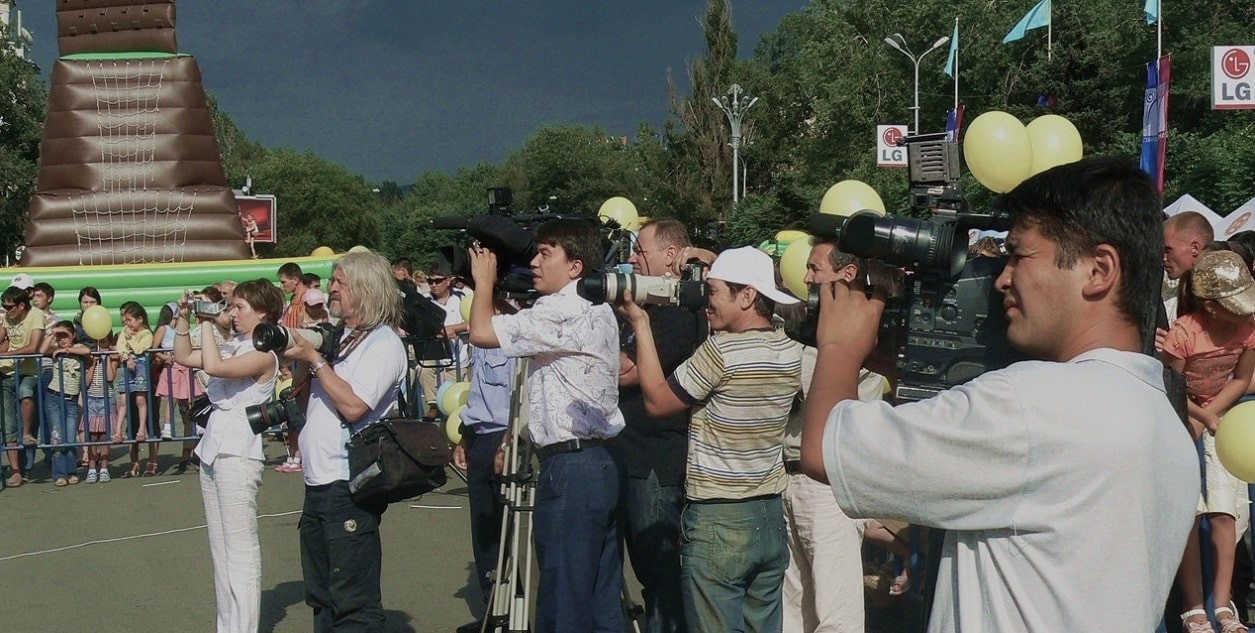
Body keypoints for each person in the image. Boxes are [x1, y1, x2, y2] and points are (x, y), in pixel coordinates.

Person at [800, 156, 1199, 630]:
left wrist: (840, 346)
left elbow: (825, 448)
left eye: (1019, 255)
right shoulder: (1162, 418)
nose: (1002, 279)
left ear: (1099, 269)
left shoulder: (1032, 406)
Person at [619, 245, 802, 633]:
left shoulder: (720, 354)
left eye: (713, 291)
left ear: (748, 296)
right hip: (768, 515)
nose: (705, 302)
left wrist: (640, 322)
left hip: (720, 519)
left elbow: (655, 399)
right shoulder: (788, 350)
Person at [467, 218, 625, 633]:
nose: (534, 262)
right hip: (600, 464)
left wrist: (483, 282)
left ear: (575, 266)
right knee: (602, 600)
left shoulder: (557, 310)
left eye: (545, 253)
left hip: (569, 469)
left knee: (562, 600)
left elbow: (481, 332)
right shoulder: (597, 308)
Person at [284, 251, 407, 631]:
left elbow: (354, 406)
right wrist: (307, 359)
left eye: (340, 282)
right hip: (318, 481)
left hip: (349, 483)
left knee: (353, 600)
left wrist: (315, 359)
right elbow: (304, 401)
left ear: (365, 290)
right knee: (321, 596)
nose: (331, 289)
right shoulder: (342, 339)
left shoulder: (383, 343)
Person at [783, 237, 884, 633]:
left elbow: (810, 387)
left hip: (828, 486)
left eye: (814, 269)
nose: (805, 277)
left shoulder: (858, 329)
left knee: (836, 614)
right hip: (789, 477)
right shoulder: (813, 327)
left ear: (848, 274)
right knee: (792, 615)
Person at [173, 278, 283, 633]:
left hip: (239, 451)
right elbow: (183, 356)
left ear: (263, 312)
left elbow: (215, 368)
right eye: (231, 306)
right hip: (214, 447)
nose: (232, 313)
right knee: (220, 550)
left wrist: (205, 322)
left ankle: (245, 627)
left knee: (240, 549)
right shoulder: (234, 343)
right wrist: (183, 318)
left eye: (240, 307)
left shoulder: (264, 352)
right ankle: (228, 627)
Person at [608, 218, 702, 633]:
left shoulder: (679, 313)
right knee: (642, 568)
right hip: (627, 453)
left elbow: (627, 373)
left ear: (670, 256)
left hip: (656, 462)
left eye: (640, 251)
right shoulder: (644, 310)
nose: (631, 259)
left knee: (660, 572)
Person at [1161, 249, 1255, 633]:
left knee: (1223, 511)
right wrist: (1198, 417)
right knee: (1190, 512)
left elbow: (1240, 379)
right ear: (1212, 307)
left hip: (1222, 423)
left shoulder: (1248, 327)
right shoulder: (1183, 333)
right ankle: (1193, 605)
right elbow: (1169, 385)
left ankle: (1222, 603)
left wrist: (1212, 414)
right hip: (1182, 421)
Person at [451, 339, 516, 633]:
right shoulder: (479, 333)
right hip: (480, 435)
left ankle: (517, 613)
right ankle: (494, 609)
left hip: (506, 437)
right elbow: (479, 392)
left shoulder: (517, 326)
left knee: (512, 533)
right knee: (485, 533)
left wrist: (507, 443)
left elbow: (521, 393)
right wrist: (466, 435)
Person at [0, 285, 45, 487]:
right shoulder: (7, 318)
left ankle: (26, 433)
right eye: (3, 306)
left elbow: (34, 347)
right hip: (6, 373)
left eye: (9, 307)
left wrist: (7, 353)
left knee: (26, 391)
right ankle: (15, 471)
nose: (6, 310)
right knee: (8, 426)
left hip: (29, 371)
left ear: (21, 305)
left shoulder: (36, 315)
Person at [114, 301, 157, 477]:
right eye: (125, 321)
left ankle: (142, 431)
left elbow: (140, 348)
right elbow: (119, 346)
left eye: (130, 320)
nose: (127, 325)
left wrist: (130, 340)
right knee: (123, 401)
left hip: (140, 369)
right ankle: (117, 432)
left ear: (140, 319)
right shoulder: (125, 332)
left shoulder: (146, 334)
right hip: (127, 367)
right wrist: (126, 357)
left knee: (141, 400)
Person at [43, 320, 88, 487]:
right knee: (57, 438)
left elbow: (87, 350)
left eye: (65, 336)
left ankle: (71, 472)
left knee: (70, 437)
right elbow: (41, 350)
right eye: (59, 337)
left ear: (73, 335)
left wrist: (66, 349)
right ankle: (59, 474)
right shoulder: (54, 350)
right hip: (54, 397)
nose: (62, 340)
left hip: (71, 400)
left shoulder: (78, 349)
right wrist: (52, 334)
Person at [1164, 211, 1216, 322]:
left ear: (1195, 248)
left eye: (1168, 250)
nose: (1163, 258)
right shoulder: (1168, 297)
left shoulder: (1223, 299)